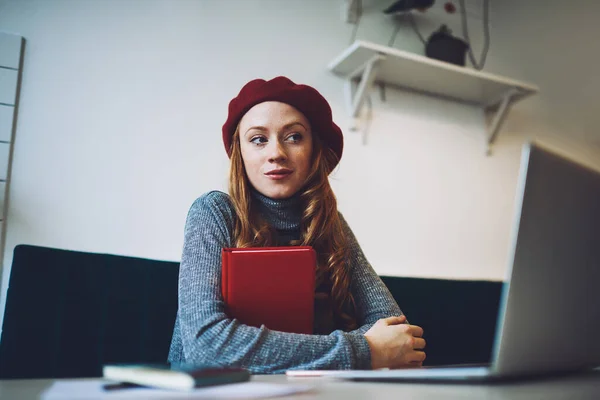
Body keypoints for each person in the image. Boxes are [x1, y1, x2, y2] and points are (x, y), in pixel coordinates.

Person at [168, 76, 426, 373]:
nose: (276, 152)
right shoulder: (214, 212)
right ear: (240, 152)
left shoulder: (332, 225)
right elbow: (207, 347)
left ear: (314, 150)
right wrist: (362, 350)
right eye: (258, 139)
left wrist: (367, 349)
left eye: (294, 137)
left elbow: (398, 336)